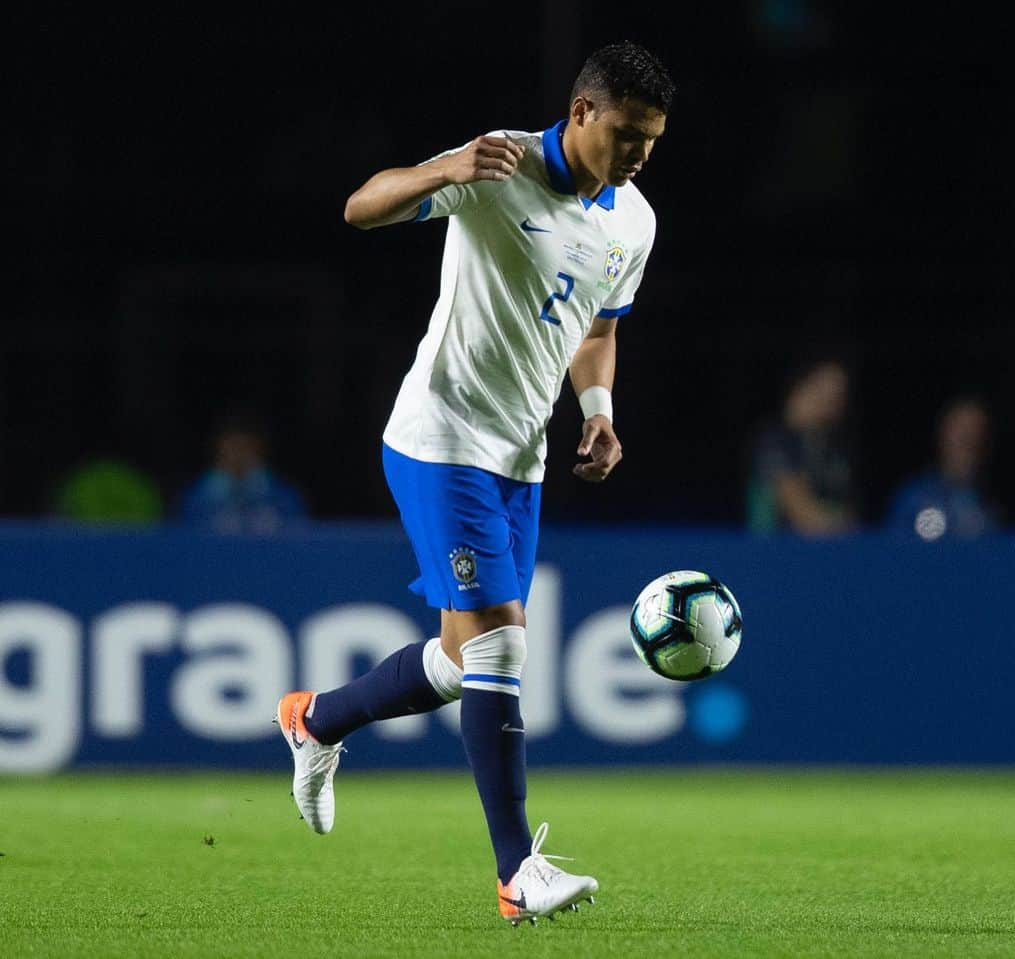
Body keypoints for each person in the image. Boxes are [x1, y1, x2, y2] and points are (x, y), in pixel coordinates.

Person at [275, 41, 674, 924]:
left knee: (463, 662)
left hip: (519, 458)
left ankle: (317, 719)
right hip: (441, 435)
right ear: (581, 112)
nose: (641, 153)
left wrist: (598, 409)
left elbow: (597, 327)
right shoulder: (498, 161)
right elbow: (360, 208)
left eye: (653, 139)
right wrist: (439, 170)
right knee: (503, 648)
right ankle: (515, 872)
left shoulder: (634, 221)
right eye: (628, 133)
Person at [746, 357, 856, 534]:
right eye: (823, 393)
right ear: (799, 389)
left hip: (829, 550)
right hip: (778, 553)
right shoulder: (775, 441)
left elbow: (849, 511)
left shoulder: (835, 448)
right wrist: (844, 530)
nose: (831, 403)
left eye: (838, 396)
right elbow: (802, 514)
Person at [886, 396, 998, 540]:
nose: (969, 441)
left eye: (977, 432)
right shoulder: (914, 498)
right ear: (943, 434)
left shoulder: (988, 506)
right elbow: (893, 553)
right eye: (962, 431)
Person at [177, 412, 307, 533]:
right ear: (219, 448)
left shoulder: (284, 496)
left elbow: (298, 534)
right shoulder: (195, 497)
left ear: (259, 449)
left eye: (246, 446)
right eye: (232, 446)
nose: (239, 454)